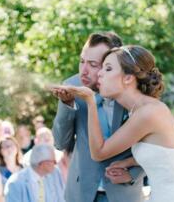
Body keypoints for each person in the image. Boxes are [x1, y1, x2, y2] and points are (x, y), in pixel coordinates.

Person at [52, 45, 174, 202]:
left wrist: (90, 101)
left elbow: (98, 152)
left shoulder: (148, 113)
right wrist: (128, 162)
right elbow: (167, 155)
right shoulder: (140, 110)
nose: (99, 74)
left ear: (128, 78)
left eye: (107, 69)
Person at [51, 32, 144, 202]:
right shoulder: (72, 86)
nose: (83, 71)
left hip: (124, 194)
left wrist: (132, 175)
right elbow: (60, 143)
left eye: (93, 65)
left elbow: (153, 146)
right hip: (81, 194)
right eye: (82, 61)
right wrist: (67, 105)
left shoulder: (133, 92)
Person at [0, 136, 23, 202]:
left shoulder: (24, 169)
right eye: (5, 146)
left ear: (17, 148)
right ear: (1, 151)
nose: (9, 148)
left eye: (11, 145)